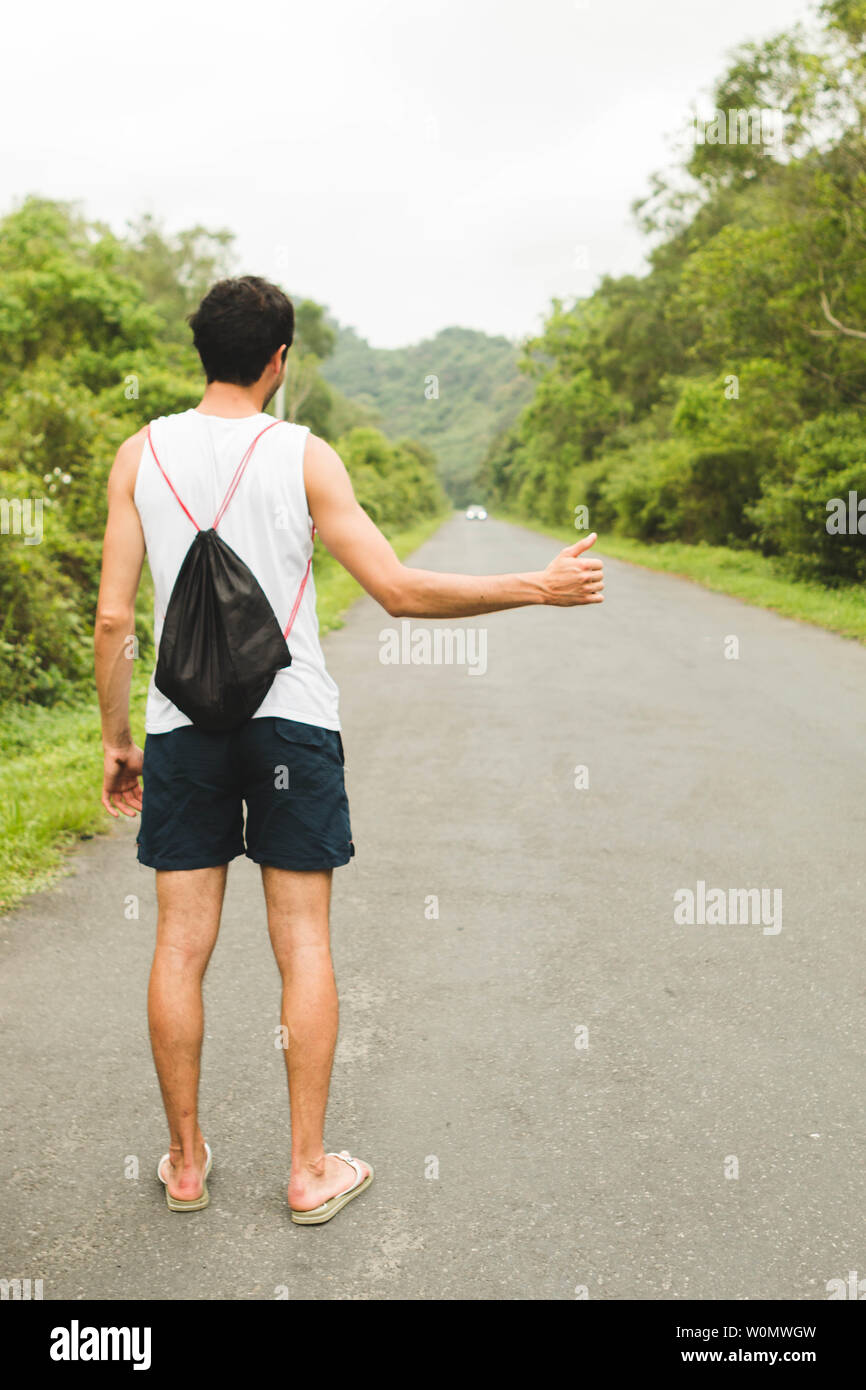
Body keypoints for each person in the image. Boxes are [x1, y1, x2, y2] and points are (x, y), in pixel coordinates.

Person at [93, 275, 604, 1224]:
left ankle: (186, 1163)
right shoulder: (304, 455)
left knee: (177, 944)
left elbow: (117, 614)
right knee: (305, 944)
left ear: (201, 351)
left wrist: (122, 739)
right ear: (279, 361)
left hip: (181, 726)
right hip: (292, 721)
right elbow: (399, 591)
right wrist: (538, 586)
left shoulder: (140, 452)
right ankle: (308, 1169)